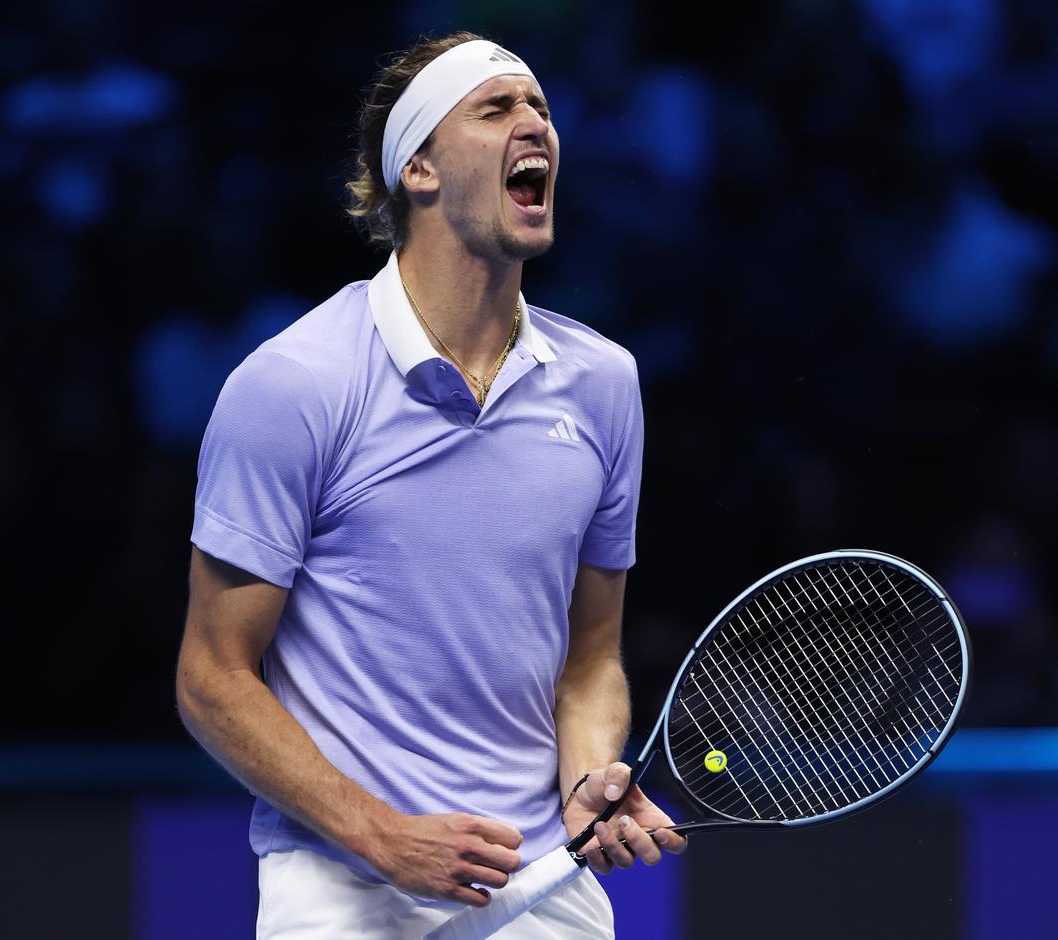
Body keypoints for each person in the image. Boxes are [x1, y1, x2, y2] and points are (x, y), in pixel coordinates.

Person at [175, 30, 686, 938]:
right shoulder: (294, 384)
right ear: (418, 168)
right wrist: (385, 837)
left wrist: (587, 783)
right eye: (497, 108)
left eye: (541, 108)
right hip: (341, 888)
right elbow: (213, 677)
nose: (536, 123)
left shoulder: (606, 384)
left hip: (536, 880)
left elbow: (590, 659)